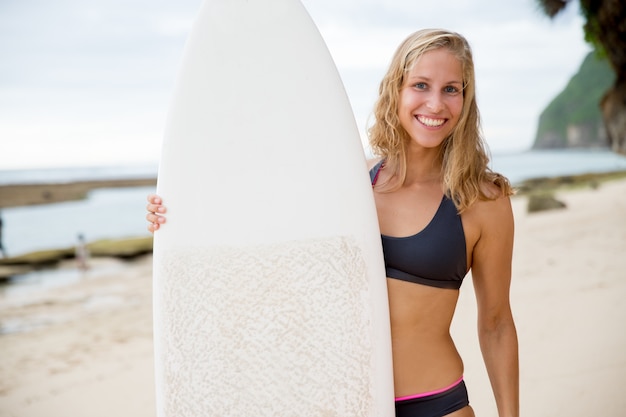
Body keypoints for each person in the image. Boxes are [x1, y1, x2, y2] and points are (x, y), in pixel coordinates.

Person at [146, 29, 518, 417]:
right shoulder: (353, 183)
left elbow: (496, 323)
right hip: (342, 403)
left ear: (466, 98)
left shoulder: (483, 200)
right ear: (396, 90)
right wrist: (176, 215)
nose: (435, 103)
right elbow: (261, 220)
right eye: (420, 85)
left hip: (435, 403)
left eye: (451, 89)